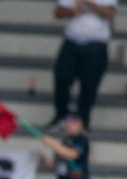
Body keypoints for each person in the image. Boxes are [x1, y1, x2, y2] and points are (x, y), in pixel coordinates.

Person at [49, 0, 116, 130]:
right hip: (71, 42)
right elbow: (58, 12)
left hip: (96, 44)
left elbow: (109, 13)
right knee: (62, 77)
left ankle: (83, 121)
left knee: (89, 84)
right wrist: (72, 11)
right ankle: (61, 115)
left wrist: (88, 4)